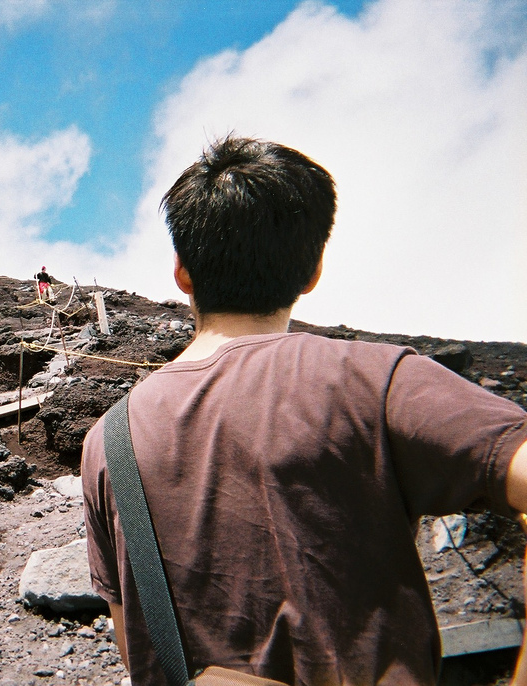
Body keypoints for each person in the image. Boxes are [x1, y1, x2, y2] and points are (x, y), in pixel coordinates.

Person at [80, 136, 527, 685]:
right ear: (313, 269)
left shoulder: (108, 440)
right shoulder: (378, 380)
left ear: (182, 271)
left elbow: (135, 648)